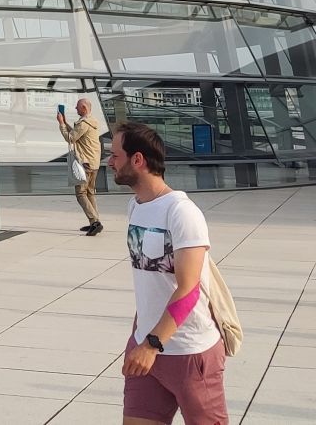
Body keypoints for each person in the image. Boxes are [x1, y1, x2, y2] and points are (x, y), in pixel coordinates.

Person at [109, 122, 228, 425]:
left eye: (116, 156)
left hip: (189, 351)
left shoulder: (181, 212)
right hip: (147, 345)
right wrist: (139, 337)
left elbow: (188, 289)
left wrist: (152, 344)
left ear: (138, 160)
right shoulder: (135, 206)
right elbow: (150, 281)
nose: (110, 162)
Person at [58, 97, 105, 235]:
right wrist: (65, 122)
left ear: (84, 107)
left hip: (85, 163)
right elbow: (76, 134)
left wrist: (61, 124)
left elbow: (71, 138)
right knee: (90, 192)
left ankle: (94, 221)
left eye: (77, 107)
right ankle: (95, 221)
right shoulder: (92, 122)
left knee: (80, 193)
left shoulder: (83, 124)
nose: (76, 109)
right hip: (93, 162)